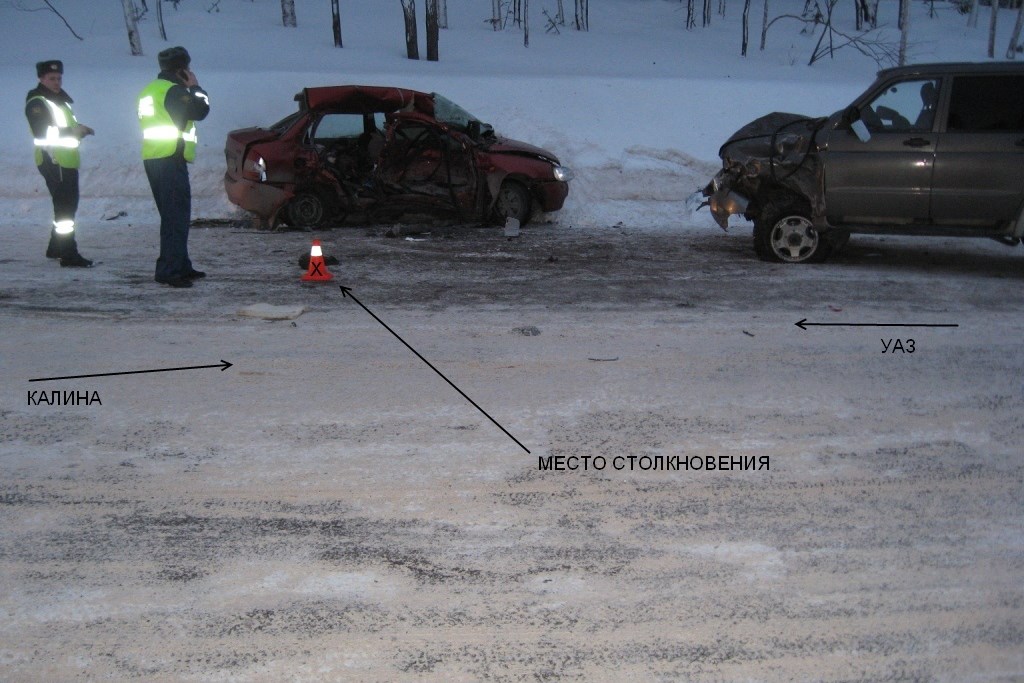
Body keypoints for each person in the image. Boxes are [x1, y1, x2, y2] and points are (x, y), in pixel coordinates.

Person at [137, 46, 210, 288]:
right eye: (187, 68)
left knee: (173, 216)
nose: (190, 71)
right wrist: (196, 87)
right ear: (181, 70)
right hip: (169, 158)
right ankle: (169, 270)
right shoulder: (175, 91)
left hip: (155, 158)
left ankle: (180, 264)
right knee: (175, 216)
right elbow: (201, 111)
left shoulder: (151, 90)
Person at [25, 60, 94, 267]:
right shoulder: (38, 102)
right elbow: (42, 132)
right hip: (53, 160)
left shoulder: (58, 102)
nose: (57, 82)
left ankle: (56, 247)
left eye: (59, 78)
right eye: (52, 78)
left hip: (64, 160)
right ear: (41, 79)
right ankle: (68, 254)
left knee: (65, 206)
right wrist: (73, 132)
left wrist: (79, 129)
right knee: (65, 209)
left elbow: (63, 128)